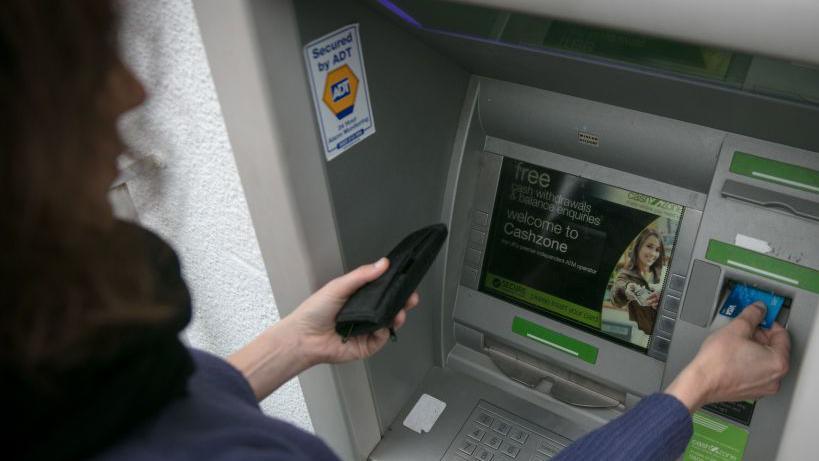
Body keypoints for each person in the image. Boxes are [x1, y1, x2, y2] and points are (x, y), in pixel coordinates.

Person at [1, 2, 790, 461]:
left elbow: (138, 402)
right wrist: (688, 391)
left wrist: (289, 346)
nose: (131, 88)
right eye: (83, 65)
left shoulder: (50, 354)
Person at [611, 228, 665, 335]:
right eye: (649, 246)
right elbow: (616, 292)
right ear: (638, 247)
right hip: (643, 335)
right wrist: (626, 291)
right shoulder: (626, 275)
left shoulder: (661, 273)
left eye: (657, 250)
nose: (653, 253)